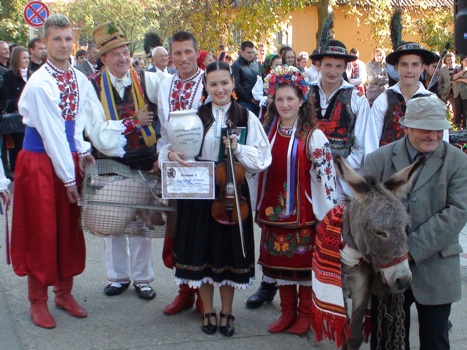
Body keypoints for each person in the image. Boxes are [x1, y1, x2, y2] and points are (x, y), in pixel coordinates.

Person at [158, 60, 271, 336]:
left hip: (232, 196)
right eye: (213, 84)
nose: (219, 89)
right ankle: (207, 308)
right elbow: (170, 149)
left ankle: (228, 311)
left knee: (229, 254)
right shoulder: (193, 116)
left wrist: (239, 148)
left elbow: (263, 158)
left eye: (224, 83)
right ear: (205, 86)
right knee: (203, 254)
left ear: (232, 83)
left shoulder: (246, 116)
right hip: (198, 195)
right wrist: (172, 155)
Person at [10, 14, 97, 329]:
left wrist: (83, 152)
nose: (63, 44)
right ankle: (38, 300)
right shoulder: (40, 83)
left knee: (68, 229)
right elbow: (51, 133)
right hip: (40, 163)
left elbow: (76, 125)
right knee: (41, 232)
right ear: (44, 43)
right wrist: (69, 177)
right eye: (56, 39)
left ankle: (64, 292)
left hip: (65, 159)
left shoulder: (79, 78)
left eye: (67, 38)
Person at [365, 96, 467, 350]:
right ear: (406, 126)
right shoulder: (378, 159)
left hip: (436, 267)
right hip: (387, 271)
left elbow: (457, 212)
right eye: (425, 128)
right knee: (388, 341)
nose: (433, 136)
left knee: (435, 342)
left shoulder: (458, 161)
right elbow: (366, 213)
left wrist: (410, 250)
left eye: (438, 129)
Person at [88, 22, 167, 301]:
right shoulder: (93, 86)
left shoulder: (147, 80)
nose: (123, 58)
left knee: (142, 221)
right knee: (115, 221)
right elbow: (97, 131)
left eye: (125, 52)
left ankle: (143, 279)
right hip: (110, 163)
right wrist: (133, 123)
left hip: (144, 161)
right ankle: (118, 276)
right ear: (103, 59)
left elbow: (169, 108)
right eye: (115, 54)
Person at [256, 65, 337, 335]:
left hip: (303, 216)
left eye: (290, 98)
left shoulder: (314, 136)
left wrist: (326, 218)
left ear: (302, 100)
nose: (284, 104)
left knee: (302, 270)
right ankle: (287, 311)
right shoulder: (266, 133)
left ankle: (305, 315)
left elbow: (327, 180)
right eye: (279, 99)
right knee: (280, 268)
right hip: (273, 214)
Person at [157, 31, 206, 315]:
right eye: (177, 53)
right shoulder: (165, 86)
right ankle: (184, 291)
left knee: (200, 231)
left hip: (202, 169)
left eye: (188, 52)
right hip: (175, 169)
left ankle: (203, 294)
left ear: (196, 52)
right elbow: (164, 132)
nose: (183, 58)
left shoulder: (208, 81)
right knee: (178, 231)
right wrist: (166, 156)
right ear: (170, 56)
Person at [370, 42, 442, 149]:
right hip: (389, 163)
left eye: (415, 65)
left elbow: (440, 141)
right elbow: (371, 141)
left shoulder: (432, 101)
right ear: (396, 67)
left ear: (423, 67)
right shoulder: (384, 100)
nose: (409, 70)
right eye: (404, 65)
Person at [1, 46, 29, 175]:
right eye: (24, 58)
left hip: (29, 120)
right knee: (17, 151)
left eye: (28, 57)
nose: (27, 60)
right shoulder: (9, 76)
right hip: (16, 122)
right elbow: (6, 100)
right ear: (16, 59)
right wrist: (22, 101)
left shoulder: (32, 75)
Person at [231, 41, 261, 116]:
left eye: (252, 52)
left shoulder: (256, 65)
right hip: (243, 102)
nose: (251, 55)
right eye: (248, 52)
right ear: (241, 52)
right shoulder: (236, 65)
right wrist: (250, 98)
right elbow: (236, 85)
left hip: (258, 100)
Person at [452, 56, 467, 129]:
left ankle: (465, 126)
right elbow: (454, 78)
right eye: (465, 60)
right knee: (457, 111)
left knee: (465, 111)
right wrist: (463, 71)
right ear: (461, 61)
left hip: (465, 94)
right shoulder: (457, 69)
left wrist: (460, 80)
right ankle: (457, 126)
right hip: (457, 93)